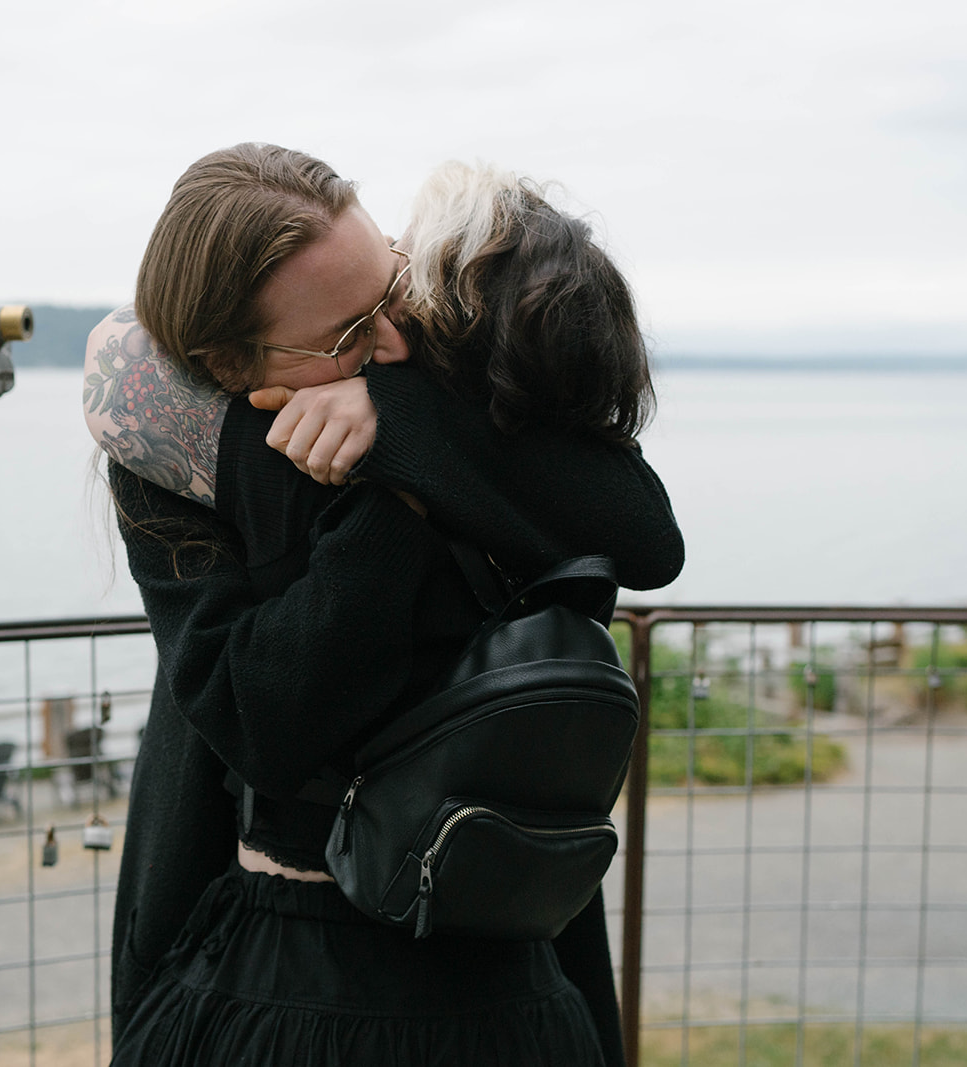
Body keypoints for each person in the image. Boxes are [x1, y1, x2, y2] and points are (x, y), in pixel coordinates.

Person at [83, 144, 683, 1066]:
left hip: (500, 943)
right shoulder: (187, 453)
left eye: (392, 287)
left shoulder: (440, 385)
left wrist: (401, 425)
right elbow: (264, 722)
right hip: (301, 966)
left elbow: (647, 534)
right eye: (349, 334)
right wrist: (393, 504)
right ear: (229, 361)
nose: (398, 343)